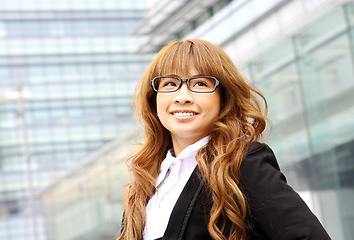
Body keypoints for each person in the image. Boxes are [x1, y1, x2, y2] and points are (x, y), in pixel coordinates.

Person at [117, 39, 331, 240]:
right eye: (170, 84)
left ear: (224, 96)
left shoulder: (243, 163)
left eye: (200, 83)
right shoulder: (145, 182)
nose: (182, 96)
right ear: (154, 98)